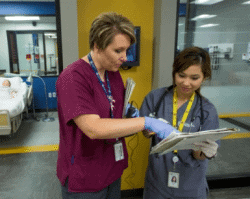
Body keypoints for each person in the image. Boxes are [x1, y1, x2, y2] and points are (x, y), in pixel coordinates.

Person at [55, 12, 179, 199]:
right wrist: (146, 122)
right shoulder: (72, 78)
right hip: (85, 176)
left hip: (111, 167)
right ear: (97, 45)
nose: (125, 58)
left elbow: (114, 110)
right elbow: (93, 128)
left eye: (127, 50)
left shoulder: (112, 73)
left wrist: (132, 116)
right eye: (118, 51)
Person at [140, 46, 220, 199]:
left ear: (205, 77)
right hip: (158, 182)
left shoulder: (207, 110)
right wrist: (148, 130)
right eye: (181, 75)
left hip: (190, 185)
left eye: (194, 78)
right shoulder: (155, 98)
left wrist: (203, 151)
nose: (186, 83)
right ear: (174, 72)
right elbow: (145, 133)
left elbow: (200, 156)